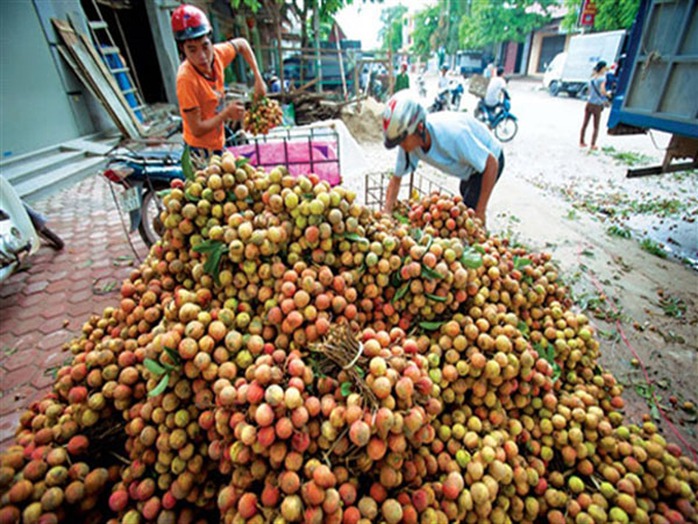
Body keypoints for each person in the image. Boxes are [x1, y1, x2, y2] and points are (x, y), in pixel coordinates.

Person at [382, 93, 504, 226]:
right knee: (466, 202)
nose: (401, 146)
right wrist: (386, 213)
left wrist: (480, 212)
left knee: (470, 218)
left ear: (420, 128)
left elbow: (491, 164)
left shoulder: (453, 136)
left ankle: (482, 234)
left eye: (402, 141)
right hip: (469, 166)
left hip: (490, 160)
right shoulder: (410, 142)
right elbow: (396, 180)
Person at [172, 4, 266, 159]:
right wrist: (226, 114)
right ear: (183, 49)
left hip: (219, 143)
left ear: (210, 40)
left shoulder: (217, 54)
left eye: (205, 46)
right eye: (192, 50)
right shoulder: (186, 80)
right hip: (199, 150)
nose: (202, 56)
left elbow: (242, 44)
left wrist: (258, 78)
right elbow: (197, 129)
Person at [579, 60, 609, 150]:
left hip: (589, 103)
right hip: (597, 105)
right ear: (602, 68)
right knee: (596, 126)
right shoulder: (602, 79)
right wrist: (608, 95)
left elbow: (588, 91)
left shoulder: (592, 78)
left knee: (585, 124)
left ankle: (581, 141)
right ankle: (593, 144)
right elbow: (603, 91)